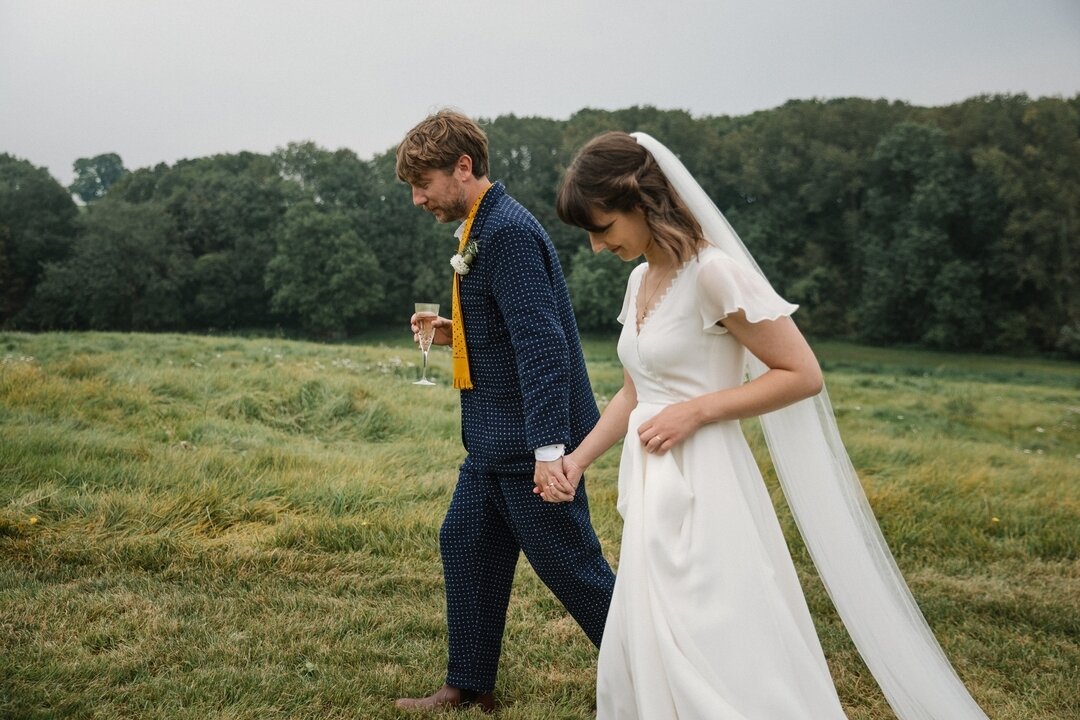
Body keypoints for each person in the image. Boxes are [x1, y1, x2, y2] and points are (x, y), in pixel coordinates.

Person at [544, 131, 990, 719]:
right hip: (651, 481)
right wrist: (578, 459)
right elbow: (636, 390)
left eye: (603, 228)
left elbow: (802, 373)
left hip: (708, 478)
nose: (599, 247)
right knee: (655, 623)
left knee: (710, 623)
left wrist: (698, 410)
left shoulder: (714, 274)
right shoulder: (638, 280)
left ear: (641, 202)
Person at [393, 110, 615, 713]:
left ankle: (655, 672)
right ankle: (468, 685)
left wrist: (550, 453)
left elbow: (543, 348)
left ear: (463, 168)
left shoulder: (509, 232)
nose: (417, 199)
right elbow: (503, 329)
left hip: (527, 446)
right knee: (463, 540)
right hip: (490, 442)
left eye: (423, 184)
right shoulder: (481, 225)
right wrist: (449, 332)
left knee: (574, 571)